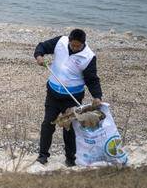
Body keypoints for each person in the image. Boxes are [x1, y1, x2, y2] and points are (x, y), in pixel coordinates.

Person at [34, 29, 102, 167]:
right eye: (72, 45)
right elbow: (42, 46)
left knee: (69, 128)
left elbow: (92, 79)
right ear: (69, 41)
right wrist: (39, 56)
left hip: (72, 97)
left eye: (78, 46)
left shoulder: (88, 57)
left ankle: (70, 159)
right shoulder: (60, 42)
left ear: (83, 43)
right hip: (53, 94)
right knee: (48, 124)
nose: (75, 48)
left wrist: (97, 96)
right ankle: (43, 156)